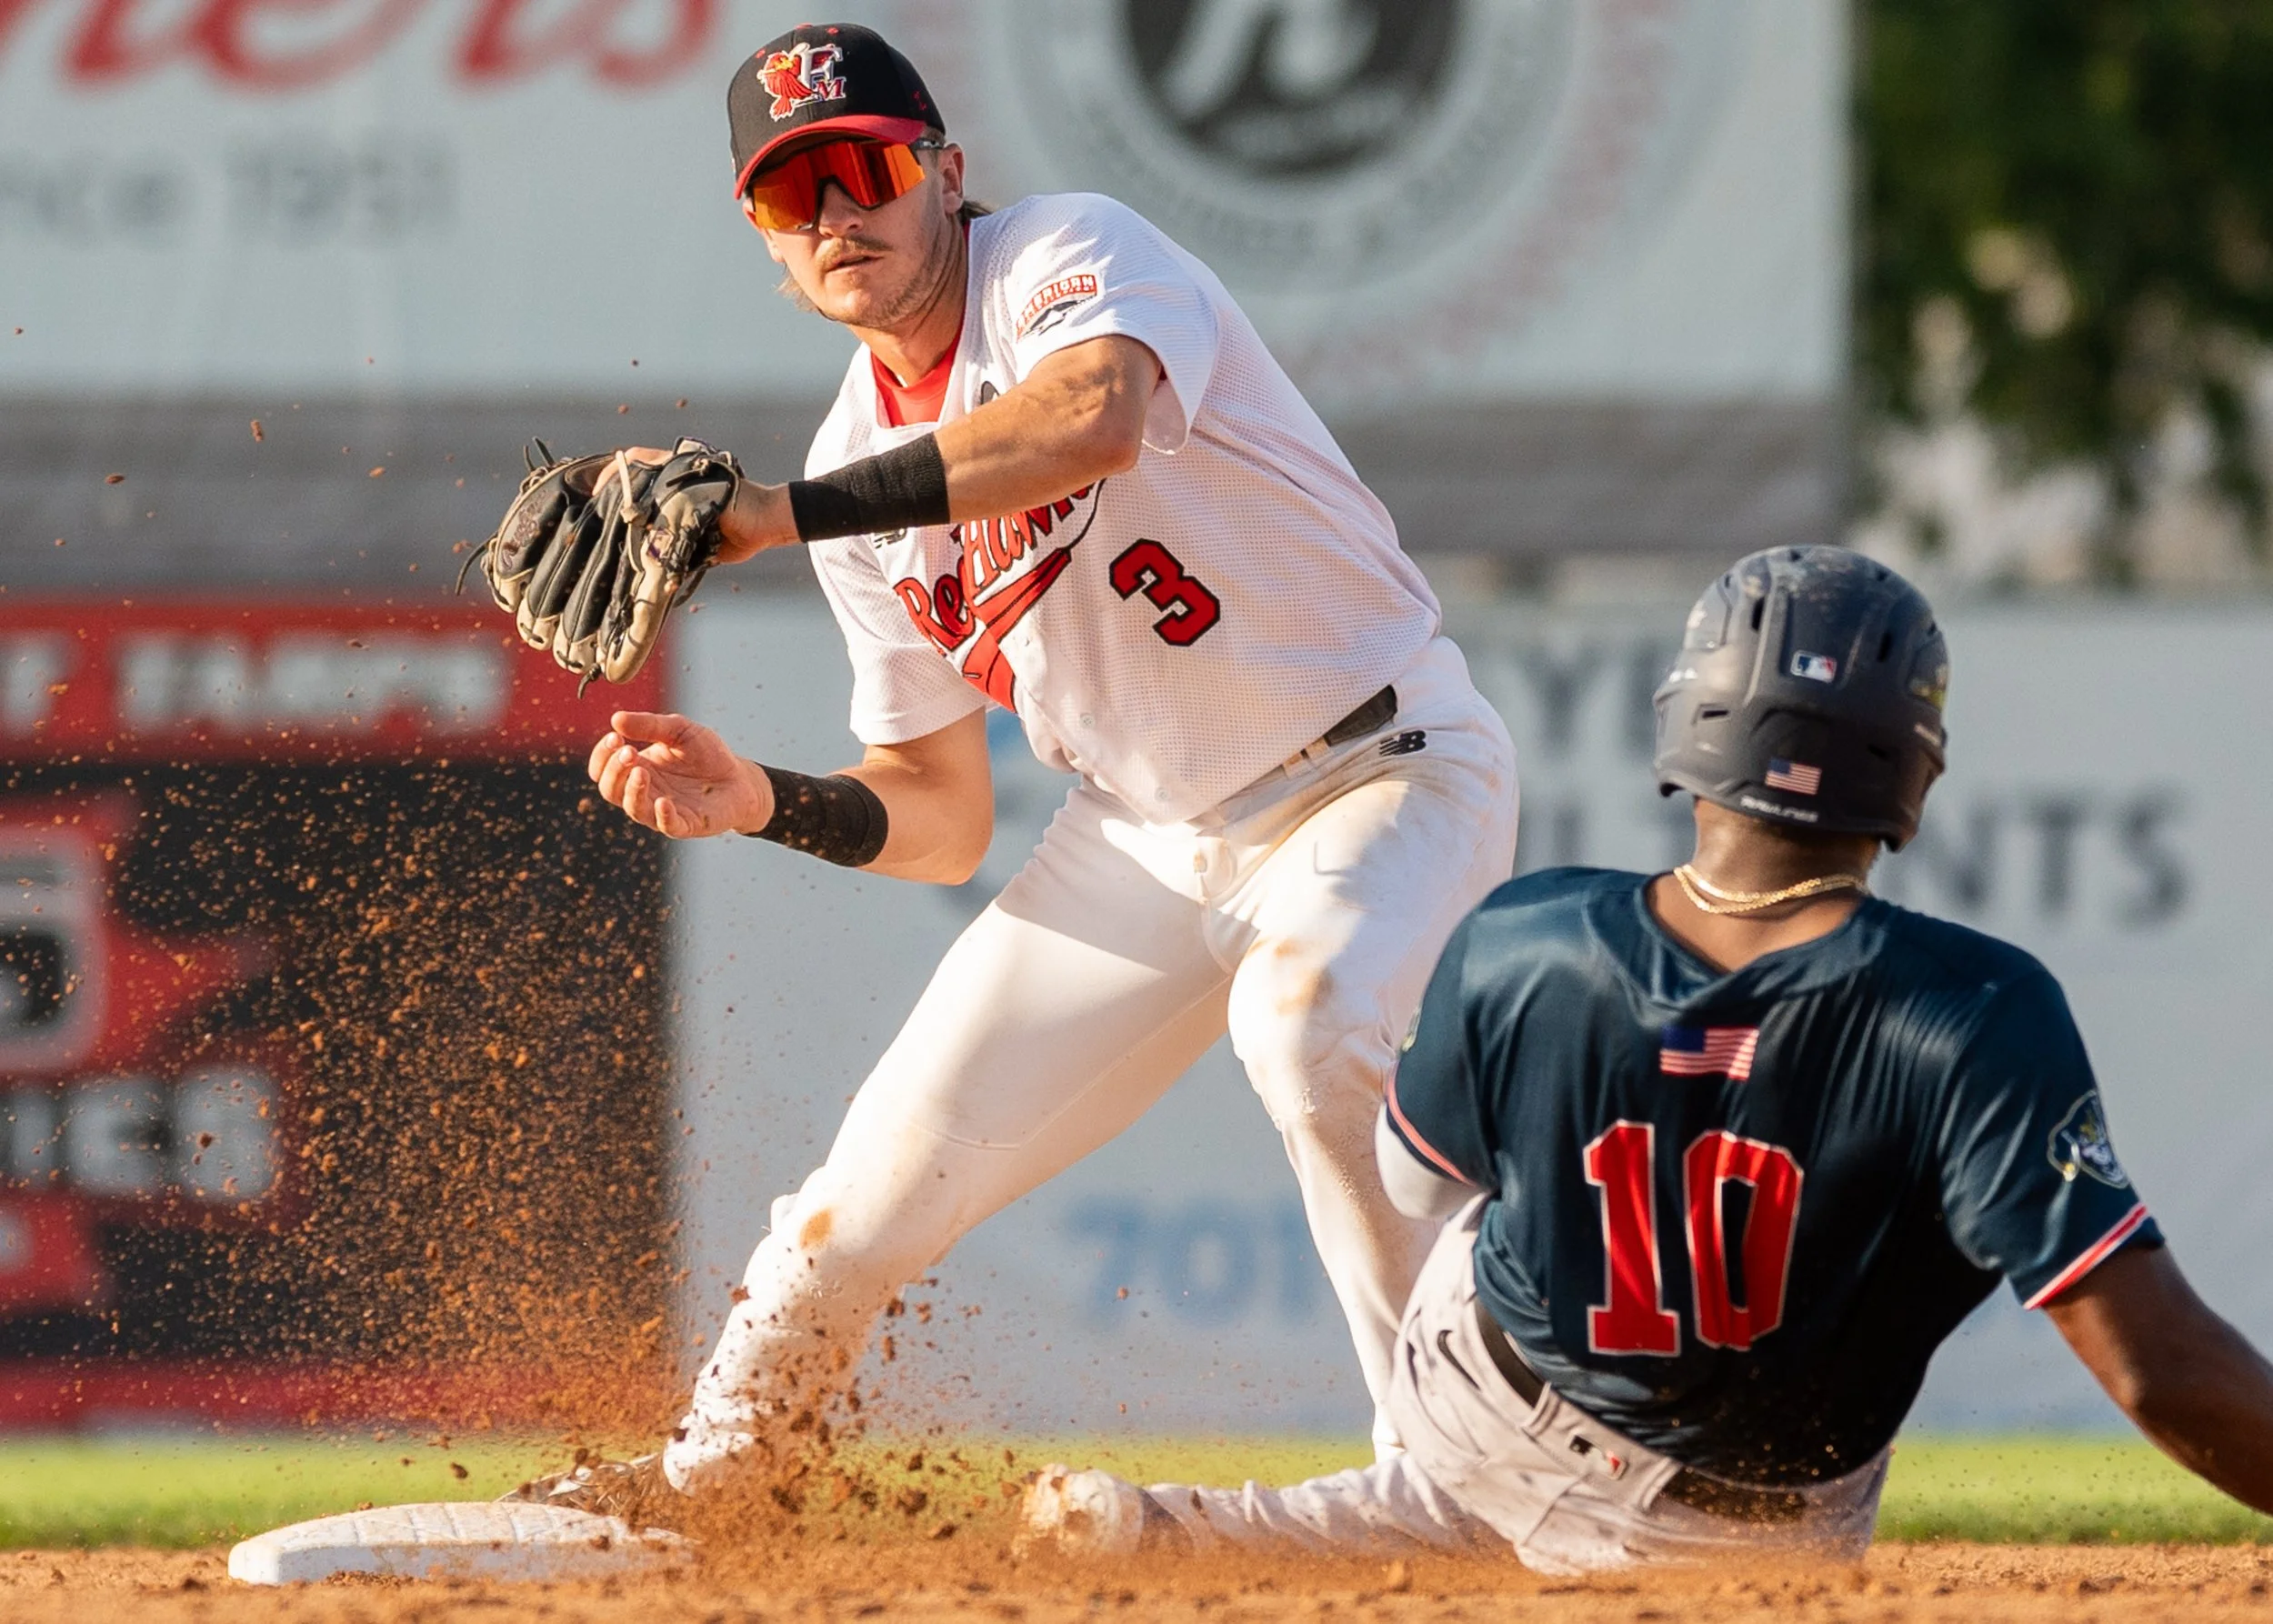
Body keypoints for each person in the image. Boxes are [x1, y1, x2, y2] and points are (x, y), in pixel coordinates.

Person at [525, 23, 1518, 1512]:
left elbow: (1089, 419)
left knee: (1308, 1029)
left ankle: (1457, 1474)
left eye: (863, 168)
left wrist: (777, 517)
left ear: (944, 171)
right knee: (858, 1200)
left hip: (1377, 762)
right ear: (767, 244)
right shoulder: (852, 458)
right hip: (1146, 836)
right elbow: (937, 815)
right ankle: (722, 1477)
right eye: (793, 198)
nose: (837, 216)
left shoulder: (1067, 254)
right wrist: (760, 799)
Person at [1022, 545, 2273, 1573]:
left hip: (1475, 1398)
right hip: (1730, 1539)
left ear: (1689, 723)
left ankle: (1223, 1532)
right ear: (1914, 769)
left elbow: (1411, 1189)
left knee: (1479, 1207)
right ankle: (1396, 1524)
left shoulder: (1525, 929)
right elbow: (2162, 1373)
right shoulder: (1981, 1009)